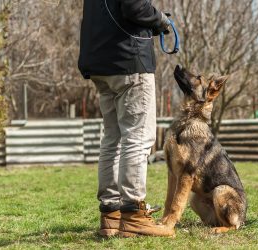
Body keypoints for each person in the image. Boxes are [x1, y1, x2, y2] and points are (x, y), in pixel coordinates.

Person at [78, 0, 174, 237]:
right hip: (129, 59)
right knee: (138, 138)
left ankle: (111, 214)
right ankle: (134, 214)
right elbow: (135, 6)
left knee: (113, 139)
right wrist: (160, 19)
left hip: (100, 60)